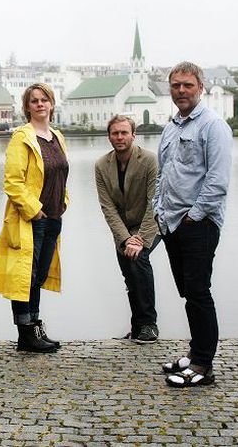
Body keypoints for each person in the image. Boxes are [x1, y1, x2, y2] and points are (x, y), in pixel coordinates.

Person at [154, 61, 232, 388]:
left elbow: (217, 181)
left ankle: (203, 365)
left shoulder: (213, 126)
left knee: (199, 293)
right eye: (176, 85)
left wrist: (193, 215)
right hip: (171, 223)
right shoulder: (172, 126)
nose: (181, 91)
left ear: (200, 87)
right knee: (188, 293)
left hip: (197, 224)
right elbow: (162, 174)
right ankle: (195, 351)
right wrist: (159, 209)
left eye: (187, 85)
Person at [0, 83, 69, 353]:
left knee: (40, 275)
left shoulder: (57, 136)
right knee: (26, 277)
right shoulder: (22, 137)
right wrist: (34, 209)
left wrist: (64, 201)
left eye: (45, 99)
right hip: (32, 218)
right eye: (34, 101)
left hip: (54, 216)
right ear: (27, 107)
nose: (40, 104)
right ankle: (26, 333)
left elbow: (62, 174)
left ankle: (35, 326)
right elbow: (12, 182)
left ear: (52, 104)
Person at [94, 115, 160, 344]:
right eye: (115, 133)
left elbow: (154, 203)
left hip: (150, 223)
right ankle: (137, 326)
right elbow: (108, 207)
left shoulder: (150, 160)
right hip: (122, 227)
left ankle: (150, 325)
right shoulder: (102, 165)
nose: (119, 137)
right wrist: (125, 239)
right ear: (109, 136)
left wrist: (139, 239)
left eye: (124, 132)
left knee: (139, 261)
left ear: (134, 135)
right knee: (129, 274)